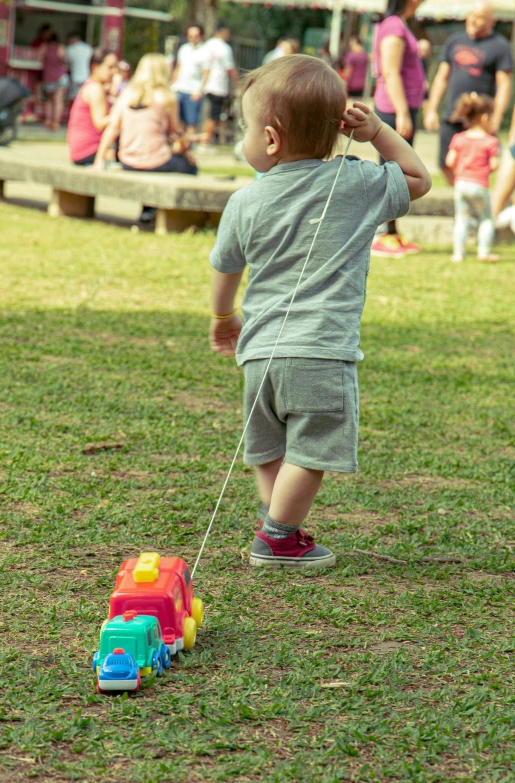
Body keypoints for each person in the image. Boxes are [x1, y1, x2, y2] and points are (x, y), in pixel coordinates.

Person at [208, 55, 431, 568]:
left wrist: (223, 318)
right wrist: (378, 133)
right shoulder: (354, 184)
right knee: (310, 451)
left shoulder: (244, 201)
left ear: (269, 139)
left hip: (260, 353)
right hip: (322, 353)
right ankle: (278, 537)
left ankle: (277, 523)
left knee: (268, 445)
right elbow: (418, 178)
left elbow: (225, 267)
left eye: (243, 128)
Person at [93, 53, 197, 223]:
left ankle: (148, 209)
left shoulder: (127, 94)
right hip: (157, 160)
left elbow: (112, 128)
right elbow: (175, 131)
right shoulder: (167, 97)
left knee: (158, 164)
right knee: (190, 168)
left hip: (128, 161)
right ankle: (174, 213)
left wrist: (99, 160)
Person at [424, 0, 512, 186]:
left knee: (478, 166)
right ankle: (462, 194)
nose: (473, 21)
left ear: (491, 21)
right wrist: (431, 109)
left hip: (479, 120)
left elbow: (504, 85)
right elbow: (441, 78)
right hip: (454, 115)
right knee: (445, 162)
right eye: (471, 15)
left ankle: (471, 199)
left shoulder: (500, 46)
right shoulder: (455, 41)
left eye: (479, 17)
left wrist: (496, 117)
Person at [370, 0, 426, 258]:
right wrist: (402, 112)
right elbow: (390, 73)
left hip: (400, 106)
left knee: (397, 172)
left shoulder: (399, 24)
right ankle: (382, 232)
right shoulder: (393, 26)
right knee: (394, 172)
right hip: (393, 109)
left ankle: (391, 232)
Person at [446, 93, 499, 263]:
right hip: (479, 185)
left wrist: (462, 170)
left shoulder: (459, 138)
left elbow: (449, 161)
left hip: (461, 184)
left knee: (461, 218)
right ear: (484, 117)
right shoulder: (490, 141)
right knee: (486, 218)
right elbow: (494, 165)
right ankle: (483, 252)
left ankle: (458, 254)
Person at [67, 50, 117, 166]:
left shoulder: (92, 85)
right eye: (110, 67)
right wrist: (120, 113)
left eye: (115, 67)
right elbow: (100, 123)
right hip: (88, 151)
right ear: (95, 67)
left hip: (80, 151)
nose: (114, 71)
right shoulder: (95, 88)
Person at [199, 24, 238, 151]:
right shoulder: (224, 48)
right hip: (217, 85)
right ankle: (205, 143)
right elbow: (230, 69)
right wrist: (238, 85)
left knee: (206, 115)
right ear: (223, 32)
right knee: (213, 116)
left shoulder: (206, 45)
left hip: (204, 85)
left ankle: (201, 140)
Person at [171, 24, 210, 135]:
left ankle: (189, 144)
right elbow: (178, 68)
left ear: (201, 36)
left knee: (191, 121)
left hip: (193, 90)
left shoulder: (204, 51)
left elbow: (206, 73)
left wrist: (200, 91)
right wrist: (172, 85)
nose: (192, 38)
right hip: (179, 88)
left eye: (195, 35)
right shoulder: (184, 49)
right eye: (190, 35)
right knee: (178, 119)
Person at [66, 32, 93, 101]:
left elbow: (67, 63)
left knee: (73, 98)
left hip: (74, 77)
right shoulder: (88, 48)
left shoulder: (70, 49)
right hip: (86, 76)